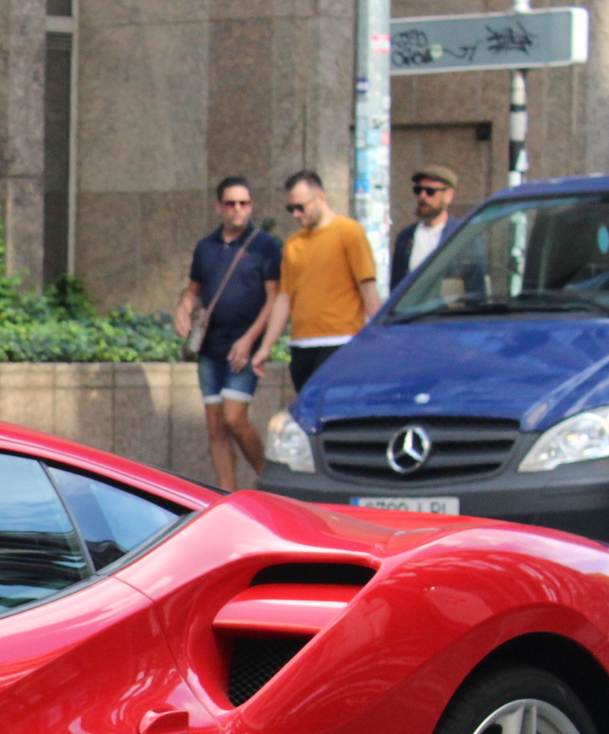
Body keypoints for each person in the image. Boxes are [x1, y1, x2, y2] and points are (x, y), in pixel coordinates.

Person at [174, 177, 283, 491]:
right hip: (211, 347)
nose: (238, 210)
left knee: (235, 418)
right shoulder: (205, 247)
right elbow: (194, 289)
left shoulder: (265, 246)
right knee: (215, 426)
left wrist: (251, 339)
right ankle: (226, 492)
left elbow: (274, 298)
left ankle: (271, 481)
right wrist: (184, 306)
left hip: (243, 347)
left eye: (244, 203)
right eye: (231, 203)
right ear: (219, 207)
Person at [249, 170, 380, 394]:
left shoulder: (349, 232)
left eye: (301, 207)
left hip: (340, 341)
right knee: (306, 415)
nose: (296, 214)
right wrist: (266, 347)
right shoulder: (292, 245)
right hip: (302, 345)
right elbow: (284, 298)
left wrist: (380, 336)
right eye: (291, 209)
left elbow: (367, 287)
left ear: (320, 197)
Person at [390, 166, 459, 288]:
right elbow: (396, 286)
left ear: (448, 195)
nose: (422, 196)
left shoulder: (461, 235)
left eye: (430, 191)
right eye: (418, 190)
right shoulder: (405, 237)